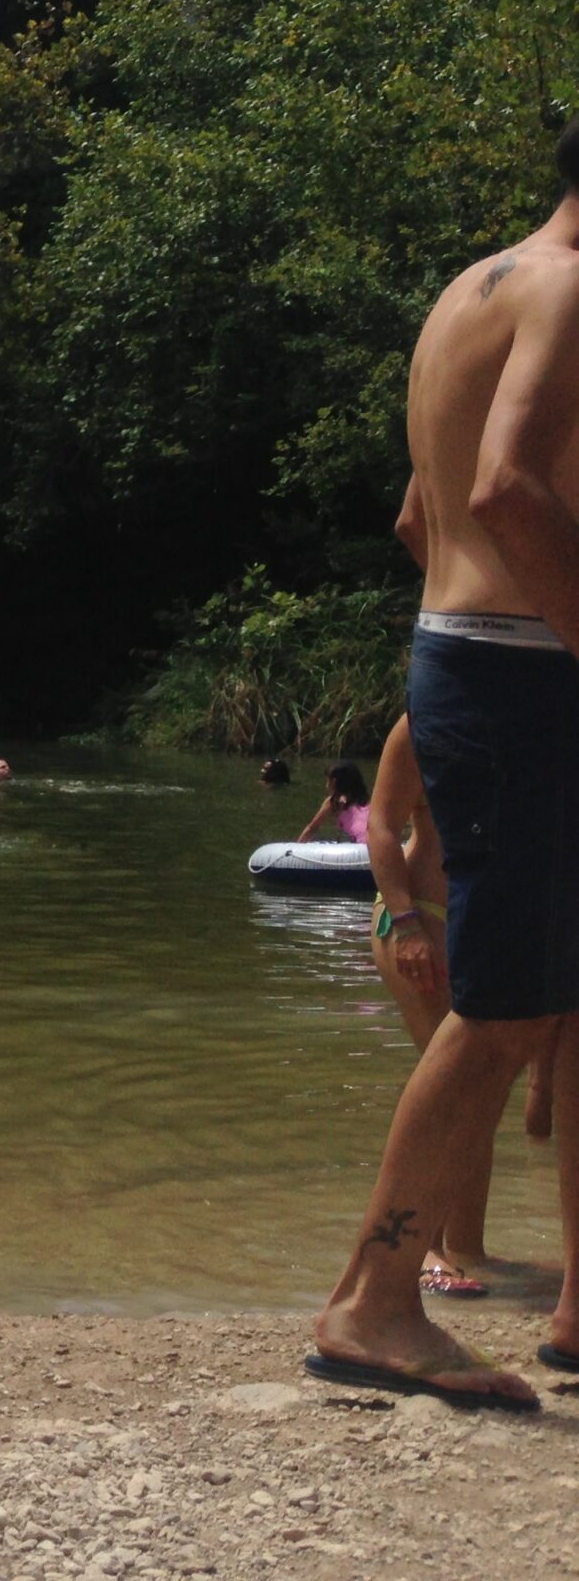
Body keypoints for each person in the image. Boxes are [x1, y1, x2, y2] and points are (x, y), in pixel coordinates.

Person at [307, 117, 579, 1411]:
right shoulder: (574, 292)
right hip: (523, 675)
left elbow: (420, 512)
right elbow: (506, 494)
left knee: (543, 993)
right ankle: (374, 1301)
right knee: (511, 1006)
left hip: (477, 659)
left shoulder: (471, 293)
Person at [362, 712, 558, 1298]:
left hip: (502, 929)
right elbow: (379, 826)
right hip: (423, 919)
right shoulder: (428, 719)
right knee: (462, 1085)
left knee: (488, 1093)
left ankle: (468, 1250)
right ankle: (424, 1250)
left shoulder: (538, 713)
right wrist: (405, 922)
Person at [296, 762, 373, 843]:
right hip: (372, 842)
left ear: (333, 782)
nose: (326, 785)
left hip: (358, 845)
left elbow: (312, 828)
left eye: (327, 781)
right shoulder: (368, 801)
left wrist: (295, 849)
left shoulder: (333, 801)